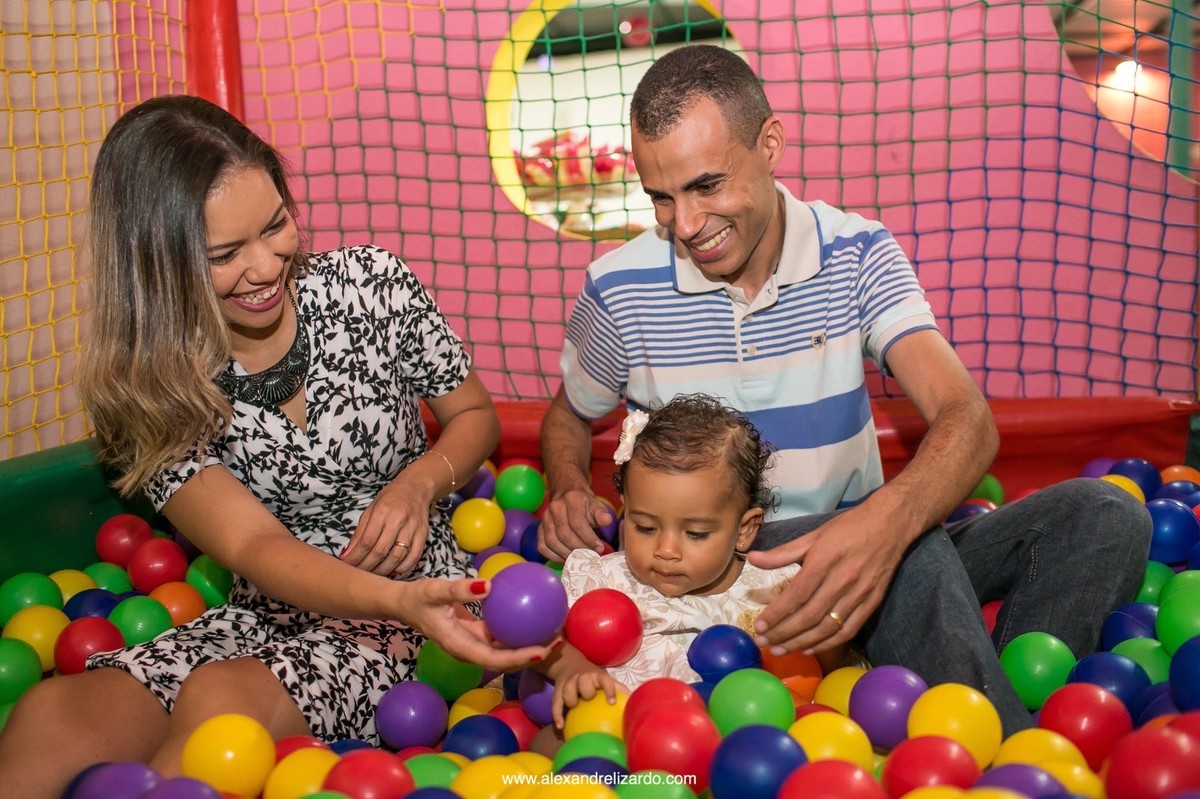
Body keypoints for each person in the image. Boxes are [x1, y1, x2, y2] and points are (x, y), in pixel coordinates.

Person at [538, 44, 1152, 736]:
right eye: (661, 197)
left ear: (769, 144)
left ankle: (999, 696)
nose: (684, 224)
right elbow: (567, 417)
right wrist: (565, 484)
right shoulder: (619, 287)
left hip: (865, 554)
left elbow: (967, 420)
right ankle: (1009, 753)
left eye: (707, 186)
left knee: (1106, 513)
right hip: (724, 567)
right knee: (910, 546)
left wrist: (883, 525)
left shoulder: (857, 253)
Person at [0, 95, 548, 796]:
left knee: (219, 706)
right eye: (226, 254)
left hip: (414, 602)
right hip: (266, 609)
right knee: (53, 712)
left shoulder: (369, 285)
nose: (266, 267)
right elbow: (257, 549)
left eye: (277, 224)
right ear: (159, 267)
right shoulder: (152, 387)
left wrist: (417, 486)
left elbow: (473, 413)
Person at [538, 394, 825, 728]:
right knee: (550, 743)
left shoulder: (773, 589)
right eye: (644, 527)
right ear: (625, 508)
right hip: (614, 733)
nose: (666, 549)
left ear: (744, 530)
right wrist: (572, 668)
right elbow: (537, 636)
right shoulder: (604, 580)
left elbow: (824, 662)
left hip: (734, 743)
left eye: (696, 534)